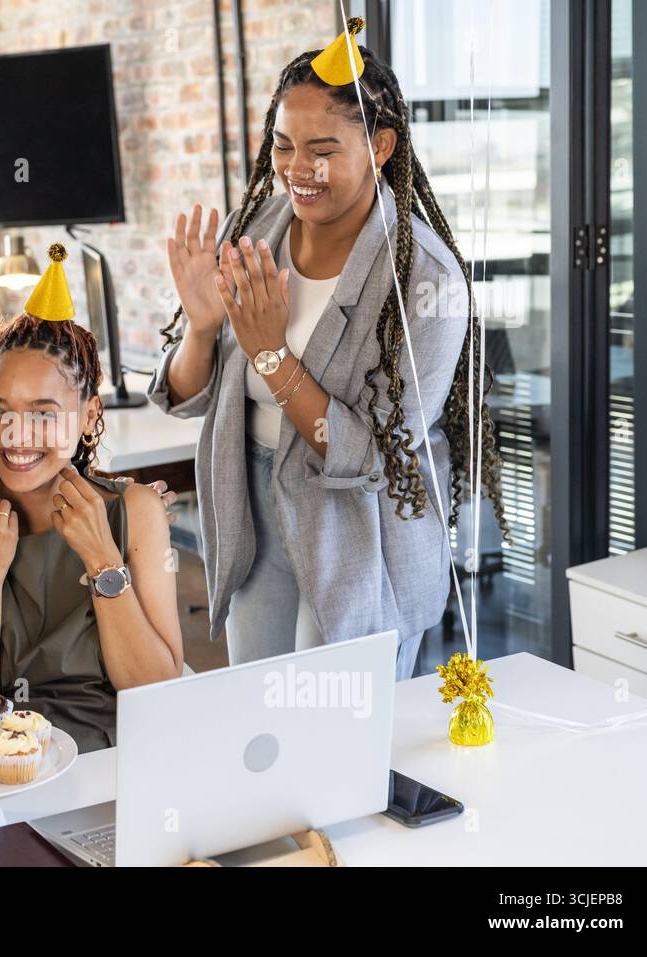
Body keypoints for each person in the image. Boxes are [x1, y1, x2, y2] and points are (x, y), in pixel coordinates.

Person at [149, 18, 507, 680]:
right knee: (261, 720)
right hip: (253, 509)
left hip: (359, 531)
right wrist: (201, 326)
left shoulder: (427, 283)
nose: (297, 171)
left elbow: (374, 455)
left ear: (380, 145)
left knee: (338, 743)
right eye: (283, 146)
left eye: (322, 149)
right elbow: (185, 395)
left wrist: (271, 356)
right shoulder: (254, 230)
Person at [0, 246, 183, 753]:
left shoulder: (136, 513)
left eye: (43, 413)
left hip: (118, 766)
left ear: (87, 416)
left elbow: (157, 693)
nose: (17, 435)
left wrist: (103, 558)